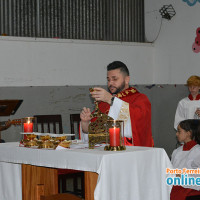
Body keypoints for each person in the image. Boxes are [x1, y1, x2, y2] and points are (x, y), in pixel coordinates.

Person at [80, 61, 153, 147]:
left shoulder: (140, 99)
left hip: (128, 152)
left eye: (115, 79)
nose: (110, 83)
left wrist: (111, 100)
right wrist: (85, 123)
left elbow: (137, 127)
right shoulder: (104, 103)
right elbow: (93, 133)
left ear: (127, 79)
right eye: (108, 80)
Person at [170, 119, 200, 200]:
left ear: (188, 133)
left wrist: (182, 177)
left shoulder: (197, 151)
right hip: (175, 186)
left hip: (191, 190)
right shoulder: (176, 151)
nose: (176, 134)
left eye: (179, 131)